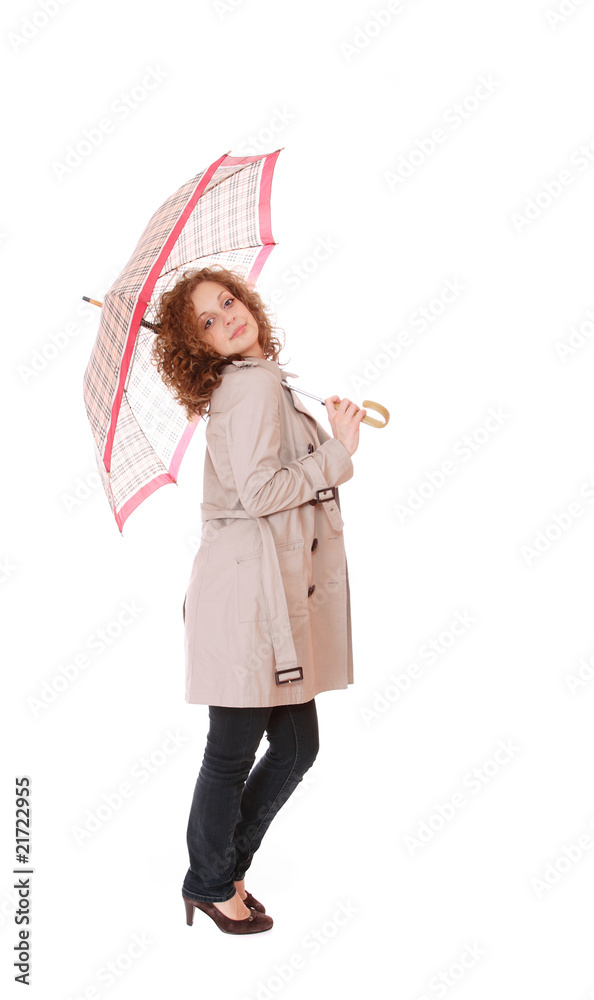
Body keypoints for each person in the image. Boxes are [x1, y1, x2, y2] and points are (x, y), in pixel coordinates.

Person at [152, 265, 365, 936]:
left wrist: (327, 436)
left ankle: (221, 872)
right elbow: (262, 493)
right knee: (233, 751)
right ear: (197, 346)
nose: (228, 316)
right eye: (207, 322)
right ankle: (211, 881)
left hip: (259, 593)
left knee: (296, 746)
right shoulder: (250, 386)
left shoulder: (253, 382)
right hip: (247, 601)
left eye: (227, 300)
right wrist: (339, 450)